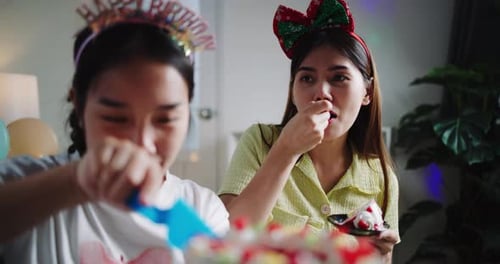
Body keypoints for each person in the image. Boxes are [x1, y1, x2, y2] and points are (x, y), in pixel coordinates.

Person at [0, 1, 228, 263]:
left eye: (165, 119)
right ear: (79, 105)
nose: (143, 144)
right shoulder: (25, 183)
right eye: (116, 118)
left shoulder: (201, 208)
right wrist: (75, 183)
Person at [218, 0, 399, 262]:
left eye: (339, 78)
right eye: (307, 78)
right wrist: (286, 150)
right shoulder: (260, 142)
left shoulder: (381, 177)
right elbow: (228, 240)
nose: (321, 93)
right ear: (293, 91)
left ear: (367, 93)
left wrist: (382, 253)